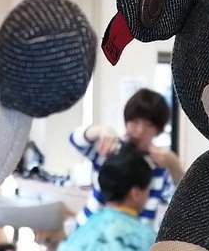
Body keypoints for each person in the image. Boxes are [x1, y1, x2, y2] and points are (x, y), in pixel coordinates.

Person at [69, 88, 185, 227]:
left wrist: (174, 165)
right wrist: (100, 130)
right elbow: (75, 139)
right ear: (127, 119)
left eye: (149, 125)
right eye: (135, 121)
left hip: (135, 233)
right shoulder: (110, 147)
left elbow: (182, 198)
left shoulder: (161, 161)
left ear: (158, 129)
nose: (140, 130)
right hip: (91, 226)